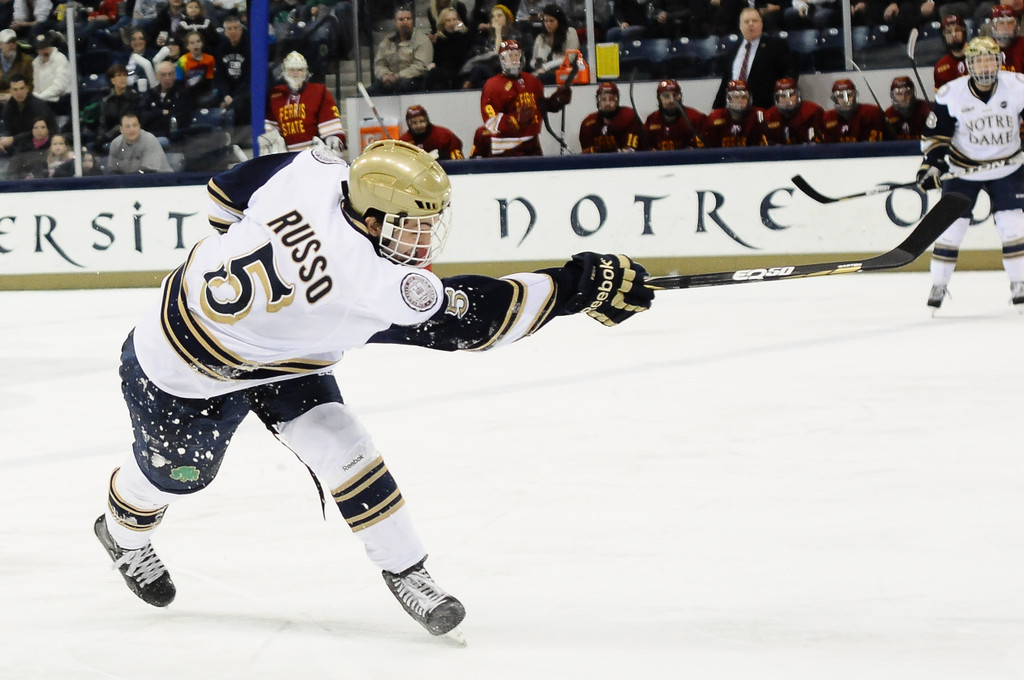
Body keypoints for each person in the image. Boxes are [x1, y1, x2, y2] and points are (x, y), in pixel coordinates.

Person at [91, 138, 654, 640]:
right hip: (178, 371)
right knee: (176, 478)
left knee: (344, 447)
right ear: (376, 216)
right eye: (415, 224)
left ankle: (408, 569)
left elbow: (225, 193)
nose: (427, 237)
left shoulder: (316, 170)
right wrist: (576, 287)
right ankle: (122, 534)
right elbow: (477, 323)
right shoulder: (370, 286)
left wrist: (264, 280)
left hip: (281, 355)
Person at [917, 36, 1024, 309]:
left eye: (990, 58)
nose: (985, 65)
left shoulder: (1018, 86)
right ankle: (938, 286)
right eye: (979, 60)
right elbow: (935, 136)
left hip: (1008, 167)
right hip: (963, 170)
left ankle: (1019, 283)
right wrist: (933, 166)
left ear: (1000, 61)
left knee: (1013, 226)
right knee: (952, 230)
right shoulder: (951, 93)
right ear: (968, 65)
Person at [469, 38, 572, 157]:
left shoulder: (532, 81)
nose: (514, 59)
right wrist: (515, 119)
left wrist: (557, 100)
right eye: (510, 56)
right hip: (506, 147)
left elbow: (541, 107)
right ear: (502, 59)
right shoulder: (492, 85)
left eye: (517, 55)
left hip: (532, 144)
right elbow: (491, 121)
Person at [261, 51, 346, 155]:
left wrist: (332, 145)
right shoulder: (275, 95)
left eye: (300, 70)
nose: (296, 73)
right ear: (284, 71)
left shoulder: (319, 92)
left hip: (315, 155)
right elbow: (271, 132)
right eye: (291, 70)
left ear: (306, 72)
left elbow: (331, 127)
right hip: (287, 158)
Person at [712, 7, 797, 111]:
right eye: (746, 21)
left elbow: (791, 72)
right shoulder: (733, 50)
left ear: (761, 24)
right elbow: (726, 81)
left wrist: (784, 98)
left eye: (755, 21)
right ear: (740, 26)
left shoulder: (775, 45)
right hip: (735, 110)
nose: (750, 24)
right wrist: (716, 108)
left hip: (766, 109)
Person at [369, 4, 433, 95]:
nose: (405, 22)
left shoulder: (422, 40)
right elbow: (379, 63)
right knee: (369, 92)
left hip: (414, 80)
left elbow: (420, 67)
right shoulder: (387, 41)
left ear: (413, 21)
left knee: (402, 86)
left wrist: (397, 76)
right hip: (389, 81)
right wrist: (385, 75)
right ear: (396, 22)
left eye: (408, 19)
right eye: (401, 19)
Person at [642, 78, 706, 150]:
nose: (671, 100)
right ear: (659, 99)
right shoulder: (651, 120)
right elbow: (644, 147)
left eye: (675, 95)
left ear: (680, 97)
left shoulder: (696, 118)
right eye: (666, 96)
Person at [579, 81, 643, 153]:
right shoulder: (588, 123)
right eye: (603, 99)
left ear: (617, 100)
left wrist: (601, 152)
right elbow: (586, 155)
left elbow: (629, 152)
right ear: (598, 101)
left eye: (612, 99)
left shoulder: (629, 117)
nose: (607, 103)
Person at [0, 74, 55, 157]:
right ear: (10, 91)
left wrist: (13, 139)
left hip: (43, 144)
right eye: (15, 89)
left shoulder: (38, 106)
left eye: (22, 88)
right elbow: (7, 129)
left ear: (27, 88)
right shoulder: (8, 107)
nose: (19, 93)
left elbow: (38, 132)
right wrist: (3, 140)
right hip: (19, 144)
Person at [820, 78, 890, 143]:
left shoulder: (871, 112)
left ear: (855, 95)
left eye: (849, 95)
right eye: (841, 96)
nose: (846, 100)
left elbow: (872, 148)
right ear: (834, 99)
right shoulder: (828, 117)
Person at [703, 79, 767, 147]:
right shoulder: (715, 117)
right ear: (729, 99)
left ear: (748, 99)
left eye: (744, 97)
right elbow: (707, 148)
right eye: (736, 97)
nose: (740, 101)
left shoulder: (758, 116)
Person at [212, 15, 251, 128]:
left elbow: (249, 77)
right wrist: (226, 95)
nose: (233, 31)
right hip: (228, 91)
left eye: (236, 28)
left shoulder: (249, 47)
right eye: (229, 29)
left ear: (241, 30)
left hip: (244, 89)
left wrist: (234, 97)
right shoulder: (220, 49)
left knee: (241, 103)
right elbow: (220, 76)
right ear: (225, 32)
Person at [139, 59, 192, 141]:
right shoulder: (150, 93)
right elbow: (142, 116)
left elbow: (181, 117)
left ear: (175, 75)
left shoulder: (181, 93)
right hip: (150, 135)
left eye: (170, 74)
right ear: (157, 76)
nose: (167, 78)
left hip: (172, 137)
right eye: (163, 75)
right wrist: (161, 112)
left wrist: (155, 114)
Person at [763, 77, 824, 145]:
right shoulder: (769, 116)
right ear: (777, 98)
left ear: (798, 96)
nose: (788, 100)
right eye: (783, 96)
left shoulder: (814, 111)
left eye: (791, 95)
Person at [107, 111, 173, 173]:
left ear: (139, 126)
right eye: (128, 126)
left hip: (161, 182)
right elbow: (113, 171)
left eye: (135, 125)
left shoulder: (149, 140)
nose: (132, 129)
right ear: (121, 129)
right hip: (129, 182)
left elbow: (149, 172)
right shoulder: (115, 144)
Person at [425, 6, 474, 91]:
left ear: (459, 21)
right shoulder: (440, 39)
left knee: (433, 74)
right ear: (443, 23)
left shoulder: (465, 36)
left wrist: (458, 34)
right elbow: (437, 60)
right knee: (432, 76)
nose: (452, 23)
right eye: (448, 20)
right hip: (443, 73)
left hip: (460, 71)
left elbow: (462, 57)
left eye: (454, 19)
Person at [95, 63, 141, 152]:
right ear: (112, 80)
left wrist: (106, 137)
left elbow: (126, 122)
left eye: (124, 75)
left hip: (128, 136)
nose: (123, 78)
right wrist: (100, 139)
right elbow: (102, 122)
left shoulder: (134, 97)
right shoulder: (106, 100)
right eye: (119, 75)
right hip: (109, 138)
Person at [529, 4, 578, 84]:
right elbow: (533, 60)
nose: (548, 24)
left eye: (551, 21)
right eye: (546, 21)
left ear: (559, 21)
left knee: (539, 79)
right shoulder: (540, 38)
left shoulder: (570, 32)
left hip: (563, 74)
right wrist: (536, 63)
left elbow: (569, 59)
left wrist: (545, 67)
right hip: (541, 73)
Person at [399, 104, 465, 159]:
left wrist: (444, 156)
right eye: (414, 123)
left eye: (422, 121)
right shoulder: (403, 142)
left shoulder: (444, 135)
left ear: (427, 120)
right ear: (408, 124)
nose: (419, 126)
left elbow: (458, 161)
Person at [176, 30, 217, 108]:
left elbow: (210, 81)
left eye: (198, 41)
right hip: (188, 94)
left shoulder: (210, 59)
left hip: (204, 93)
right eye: (192, 43)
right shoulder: (182, 60)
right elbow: (179, 83)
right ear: (187, 46)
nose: (196, 45)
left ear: (202, 43)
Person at [30, 32, 69, 111]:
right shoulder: (35, 63)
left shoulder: (60, 59)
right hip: (42, 102)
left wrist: (39, 98)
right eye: (41, 48)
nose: (44, 50)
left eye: (46, 47)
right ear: (37, 50)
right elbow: (35, 86)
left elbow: (60, 87)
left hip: (60, 101)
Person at [885, 75, 930, 140]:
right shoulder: (889, 114)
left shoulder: (926, 109)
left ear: (913, 93)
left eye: (907, 93)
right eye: (899, 94)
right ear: (893, 96)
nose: (903, 98)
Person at [934, 13, 969, 89]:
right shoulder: (940, 66)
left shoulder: (978, 56)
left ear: (964, 32)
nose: (953, 34)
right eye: (949, 32)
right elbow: (941, 98)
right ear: (944, 36)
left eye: (957, 30)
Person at [986, 4, 1024, 71]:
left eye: (1010, 23)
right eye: (1001, 23)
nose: (1006, 27)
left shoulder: (1022, 45)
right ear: (994, 27)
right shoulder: (985, 48)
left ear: (1016, 26)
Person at [0, 28, 33, 103]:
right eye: (8, 42)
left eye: (14, 42)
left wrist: (14, 95)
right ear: (0, 45)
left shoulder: (27, 61)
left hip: (19, 100)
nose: (12, 45)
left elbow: (31, 85)